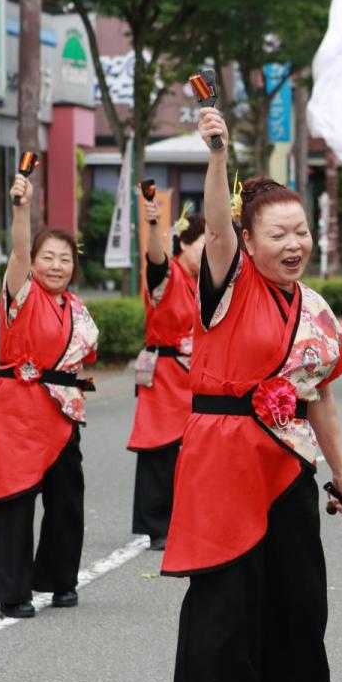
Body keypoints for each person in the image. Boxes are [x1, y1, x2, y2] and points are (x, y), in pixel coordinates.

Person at [164, 106, 342, 682]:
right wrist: (218, 155)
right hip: (222, 458)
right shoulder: (228, 283)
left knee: (300, 590)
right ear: (248, 241)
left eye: (301, 231)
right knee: (222, 594)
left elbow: (320, 395)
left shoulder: (316, 309)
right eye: (279, 233)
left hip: (288, 461)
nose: (295, 243)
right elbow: (216, 222)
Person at [0, 172, 99, 619]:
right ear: (33, 263)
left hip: (62, 414)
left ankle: (62, 580)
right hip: (17, 412)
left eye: (65, 259)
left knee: (67, 501)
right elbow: (19, 252)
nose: (56, 266)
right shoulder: (21, 295)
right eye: (48, 258)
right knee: (17, 501)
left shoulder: (76, 308)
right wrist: (22, 209)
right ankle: (13, 592)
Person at [126, 203, 204, 551]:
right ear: (183, 243)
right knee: (159, 447)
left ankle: (187, 518)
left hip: (194, 373)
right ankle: (156, 525)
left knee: (194, 448)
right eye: (202, 243)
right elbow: (154, 258)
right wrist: (155, 224)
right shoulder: (168, 274)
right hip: (165, 371)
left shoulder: (203, 282)